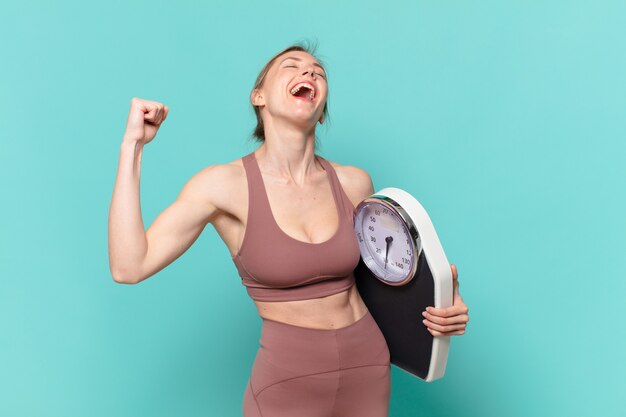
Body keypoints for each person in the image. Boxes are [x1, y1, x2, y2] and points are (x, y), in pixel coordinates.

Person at [108, 44, 470, 417]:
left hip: (368, 369)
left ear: (322, 111)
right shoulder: (222, 186)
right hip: (288, 382)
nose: (309, 73)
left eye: (318, 72)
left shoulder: (354, 183)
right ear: (258, 96)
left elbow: (384, 278)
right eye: (291, 66)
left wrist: (438, 301)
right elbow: (129, 266)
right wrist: (132, 147)